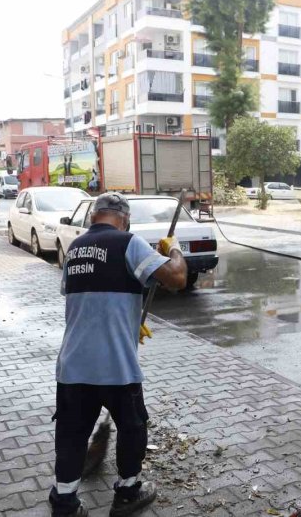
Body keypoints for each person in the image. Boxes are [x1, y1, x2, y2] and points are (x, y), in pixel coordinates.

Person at [49, 192, 187, 517]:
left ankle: (65, 503)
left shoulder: (75, 248)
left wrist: (126, 322)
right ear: (124, 219)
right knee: (133, 427)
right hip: (116, 366)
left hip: (73, 364)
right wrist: (173, 249)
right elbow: (177, 278)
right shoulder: (129, 242)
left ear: (94, 216)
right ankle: (127, 494)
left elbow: (86, 300)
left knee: (71, 435)